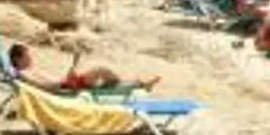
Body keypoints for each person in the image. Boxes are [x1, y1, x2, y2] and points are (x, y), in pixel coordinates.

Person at [9, 43, 159, 93]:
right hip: (65, 87)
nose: (31, 58)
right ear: (18, 59)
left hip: (66, 83)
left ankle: (139, 84)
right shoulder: (23, 74)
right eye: (27, 56)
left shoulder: (29, 70)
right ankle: (137, 84)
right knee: (102, 70)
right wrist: (64, 80)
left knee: (105, 81)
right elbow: (43, 86)